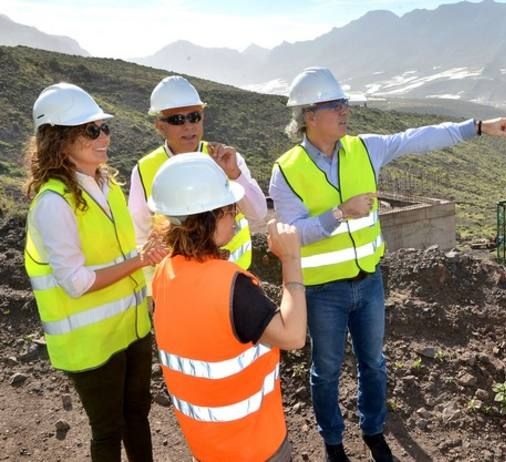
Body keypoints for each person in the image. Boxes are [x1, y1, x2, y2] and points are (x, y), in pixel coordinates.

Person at [269, 67, 506, 462]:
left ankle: (373, 432)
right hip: (322, 291)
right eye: (335, 105)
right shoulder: (287, 170)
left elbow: (416, 139)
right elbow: (293, 236)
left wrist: (477, 127)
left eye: (345, 103)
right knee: (326, 371)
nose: (345, 111)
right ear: (309, 115)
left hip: (369, 281)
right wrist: (338, 213)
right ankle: (334, 444)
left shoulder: (364, 148)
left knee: (373, 363)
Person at [23, 82, 166, 461]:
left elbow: (119, 249)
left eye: (104, 127)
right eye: (91, 130)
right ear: (60, 140)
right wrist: (140, 260)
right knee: (108, 431)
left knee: (137, 416)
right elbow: (76, 283)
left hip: (131, 329)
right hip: (90, 345)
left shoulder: (106, 183)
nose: (104, 136)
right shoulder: (53, 204)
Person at [149, 153, 306, 462]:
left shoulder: (164, 273)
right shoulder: (232, 287)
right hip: (256, 448)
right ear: (206, 219)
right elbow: (294, 336)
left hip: (206, 447)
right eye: (229, 209)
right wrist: (291, 260)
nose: (236, 216)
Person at [128, 75, 266, 278]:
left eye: (194, 117)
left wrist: (234, 175)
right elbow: (140, 239)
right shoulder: (144, 169)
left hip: (234, 279)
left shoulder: (225, 158)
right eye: (177, 119)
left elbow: (259, 213)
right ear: (159, 125)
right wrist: (152, 293)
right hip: (183, 286)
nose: (188, 126)